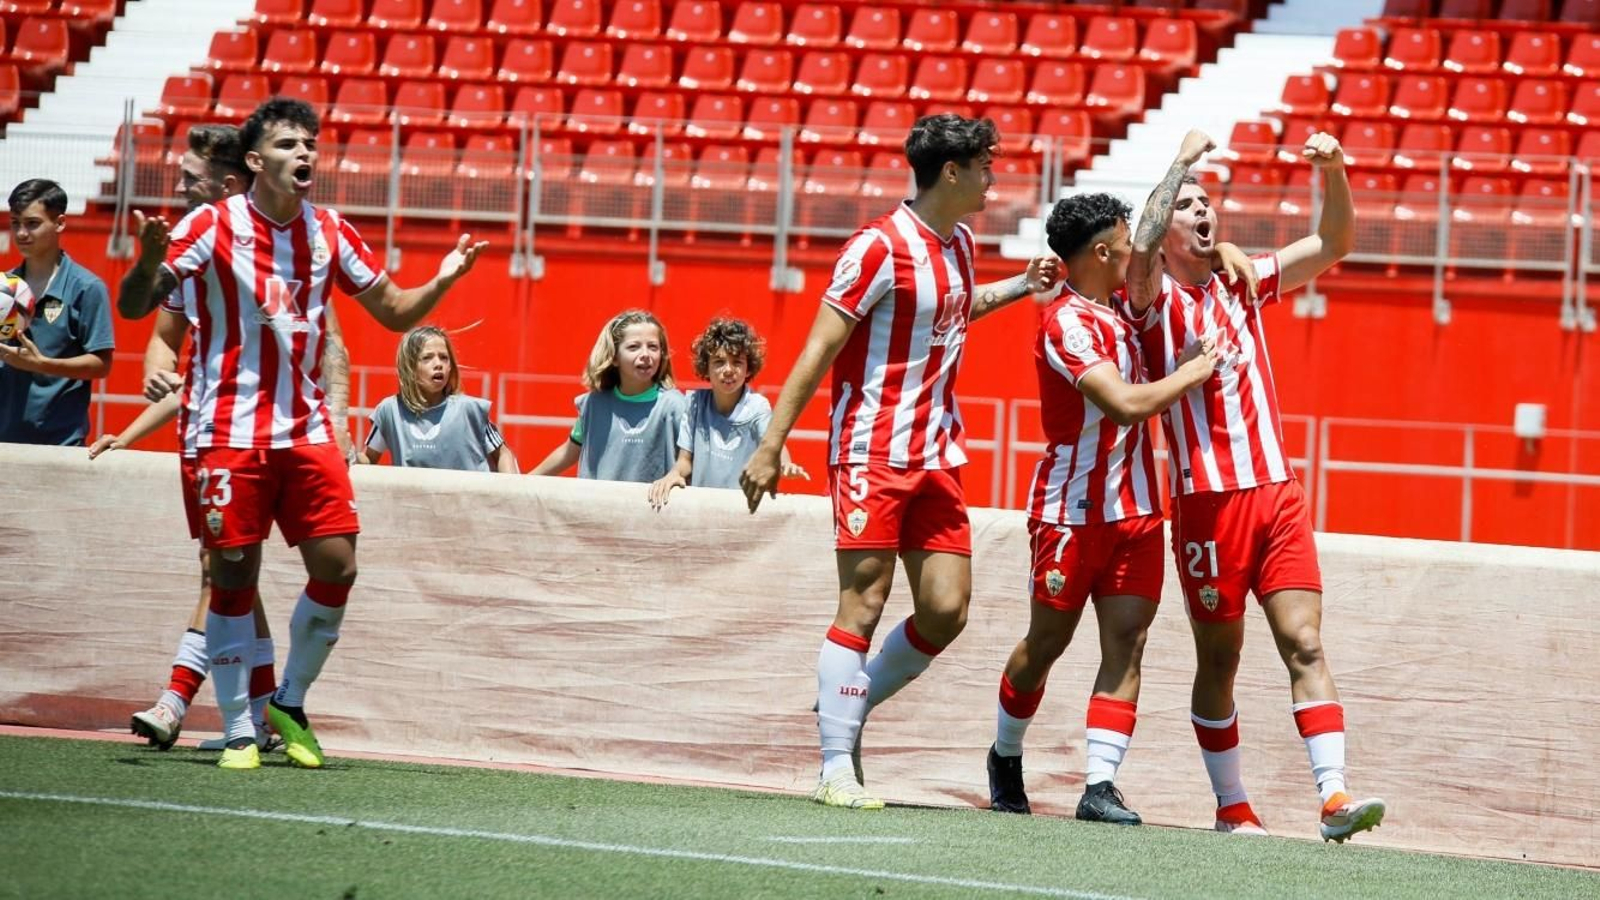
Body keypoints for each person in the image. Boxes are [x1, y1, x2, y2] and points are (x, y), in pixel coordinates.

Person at [116, 97, 487, 771]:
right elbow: (139, 307)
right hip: (225, 427)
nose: (306, 154)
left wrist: (443, 279)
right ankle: (236, 728)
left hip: (306, 427)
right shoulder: (211, 224)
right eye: (290, 145)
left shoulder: (329, 232)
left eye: (311, 143)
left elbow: (395, 312)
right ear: (255, 161)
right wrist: (146, 262)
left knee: (338, 566)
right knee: (233, 570)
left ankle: (288, 700)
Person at [739, 114, 1063, 810]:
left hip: (938, 452)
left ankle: (844, 708)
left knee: (946, 610)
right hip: (870, 449)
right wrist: (772, 444)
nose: (993, 177)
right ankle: (834, 765)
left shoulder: (963, 243)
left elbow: (950, 308)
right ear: (952, 172)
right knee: (863, 602)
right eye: (985, 166)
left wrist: (1017, 287)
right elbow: (821, 347)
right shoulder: (876, 247)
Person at [1126, 129, 1386, 842]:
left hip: (1276, 493)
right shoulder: (1150, 303)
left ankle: (1333, 798)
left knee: (1304, 643)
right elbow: (1143, 250)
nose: (1203, 212)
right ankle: (1232, 805)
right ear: (1165, 220)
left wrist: (1334, 170)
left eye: (1207, 201)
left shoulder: (1245, 281)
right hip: (1207, 505)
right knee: (1222, 658)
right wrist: (1178, 162)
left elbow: (1331, 243)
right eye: (1186, 205)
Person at [988, 176, 1254, 825]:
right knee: (1045, 644)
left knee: (1127, 644)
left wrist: (1223, 252)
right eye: (1123, 243)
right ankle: (1005, 752)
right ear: (1102, 254)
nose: (1137, 251)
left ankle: (1099, 785)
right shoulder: (1066, 323)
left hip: (1136, 512)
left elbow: (1173, 254)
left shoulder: (1126, 314)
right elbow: (1126, 405)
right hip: (1070, 513)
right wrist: (1193, 370)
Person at [92, 124, 354, 752]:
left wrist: (337, 422)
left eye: (193, 179)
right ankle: (255, 717)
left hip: (281, 434)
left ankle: (189, 700)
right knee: (228, 572)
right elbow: (163, 336)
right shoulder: (193, 246)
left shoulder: (297, 252)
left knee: (230, 573)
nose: (182, 187)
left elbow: (332, 343)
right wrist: (152, 377)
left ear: (234, 182)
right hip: (211, 434)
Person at [647, 316, 806, 508]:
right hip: (701, 508)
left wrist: (785, 463)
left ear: (748, 368)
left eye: (737, 362)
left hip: (743, 509)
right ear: (706, 366)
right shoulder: (695, 403)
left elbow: (773, 445)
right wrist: (674, 474)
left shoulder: (757, 406)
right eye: (719, 362)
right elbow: (685, 461)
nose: (728, 370)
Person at [0, 179, 114, 445]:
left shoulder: (87, 288)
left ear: (60, 223)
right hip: (4, 443)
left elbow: (101, 365)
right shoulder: (4, 288)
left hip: (60, 445)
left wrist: (42, 365)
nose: (21, 233)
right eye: (15, 223)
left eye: (32, 223)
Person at [530, 309, 686, 483]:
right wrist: (524, 481)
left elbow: (689, 461)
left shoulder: (675, 405)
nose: (645, 355)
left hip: (652, 509)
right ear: (614, 357)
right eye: (633, 347)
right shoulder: (593, 405)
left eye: (653, 347)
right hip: (599, 509)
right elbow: (570, 452)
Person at [359, 325, 517, 472]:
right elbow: (368, 460)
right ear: (410, 367)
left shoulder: (471, 410)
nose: (438, 364)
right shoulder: (389, 411)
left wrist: (509, 489)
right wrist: (347, 455)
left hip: (465, 502)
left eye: (444, 357)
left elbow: (503, 454)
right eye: (427, 358)